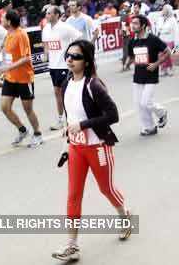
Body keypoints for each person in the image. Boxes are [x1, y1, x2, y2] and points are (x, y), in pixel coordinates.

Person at [52, 39, 131, 262]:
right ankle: (72, 245)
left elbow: (113, 115)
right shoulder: (67, 82)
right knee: (73, 195)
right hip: (77, 148)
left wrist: (83, 125)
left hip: (98, 147)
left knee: (106, 188)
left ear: (86, 61)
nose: (70, 59)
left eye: (75, 56)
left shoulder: (94, 85)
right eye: (68, 55)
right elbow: (72, 115)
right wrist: (69, 132)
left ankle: (124, 215)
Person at [0, 9, 43, 148]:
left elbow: (26, 57)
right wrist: (5, 70)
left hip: (24, 78)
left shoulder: (21, 34)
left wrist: (6, 68)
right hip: (10, 78)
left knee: (28, 109)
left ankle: (38, 134)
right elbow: (9, 56)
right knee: (4, 107)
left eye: (3, 18)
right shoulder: (8, 34)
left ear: (9, 21)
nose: (0, 20)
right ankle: (22, 130)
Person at [125, 15, 169, 136]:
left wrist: (156, 63)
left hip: (151, 76)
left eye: (135, 23)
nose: (132, 25)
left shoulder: (153, 39)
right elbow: (132, 56)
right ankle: (149, 127)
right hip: (138, 76)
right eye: (131, 23)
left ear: (143, 25)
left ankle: (161, 112)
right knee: (139, 104)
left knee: (146, 102)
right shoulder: (132, 41)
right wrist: (128, 64)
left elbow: (168, 51)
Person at [42, 6, 82, 131]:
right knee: (57, 93)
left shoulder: (64, 27)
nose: (47, 15)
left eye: (49, 13)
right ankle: (60, 119)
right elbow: (46, 44)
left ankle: (73, 119)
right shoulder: (46, 28)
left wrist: (71, 52)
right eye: (46, 13)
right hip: (53, 67)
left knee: (68, 94)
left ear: (57, 15)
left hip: (64, 66)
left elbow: (79, 37)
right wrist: (46, 53)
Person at [156, 4, 179, 76]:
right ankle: (163, 69)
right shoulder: (160, 18)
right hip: (161, 39)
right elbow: (157, 28)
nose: (163, 10)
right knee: (160, 55)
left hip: (170, 39)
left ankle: (169, 68)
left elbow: (176, 31)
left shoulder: (172, 19)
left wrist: (176, 43)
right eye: (163, 9)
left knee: (168, 55)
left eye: (165, 9)